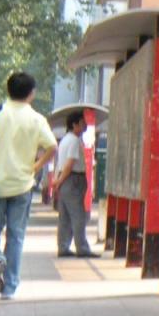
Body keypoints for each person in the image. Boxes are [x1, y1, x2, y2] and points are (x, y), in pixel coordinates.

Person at [0, 72, 58, 300]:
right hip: (22, 185)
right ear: (32, 93)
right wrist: (36, 166)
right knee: (16, 236)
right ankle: (9, 288)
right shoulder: (36, 119)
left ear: (8, 89)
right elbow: (52, 147)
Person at [54, 109, 98, 258]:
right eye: (82, 122)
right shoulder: (74, 140)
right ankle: (82, 248)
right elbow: (69, 163)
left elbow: (60, 164)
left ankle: (63, 246)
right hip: (73, 179)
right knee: (78, 215)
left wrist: (58, 181)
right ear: (75, 124)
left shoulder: (65, 140)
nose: (85, 125)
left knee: (65, 216)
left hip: (65, 179)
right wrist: (60, 180)